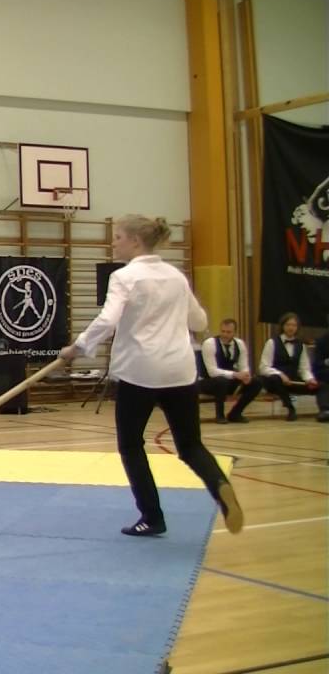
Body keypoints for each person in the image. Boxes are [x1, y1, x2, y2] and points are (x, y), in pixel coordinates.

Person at [60, 215, 243, 537]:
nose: (113, 242)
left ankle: (152, 517)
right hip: (180, 370)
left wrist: (77, 347)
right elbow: (199, 322)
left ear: (134, 241)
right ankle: (219, 485)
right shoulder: (176, 276)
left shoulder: (124, 276)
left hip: (140, 371)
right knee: (190, 446)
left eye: (117, 237)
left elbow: (108, 319)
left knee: (131, 445)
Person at [258, 312, 319, 422]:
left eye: (294, 325)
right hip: (273, 381)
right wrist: (281, 375)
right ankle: (290, 408)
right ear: (282, 326)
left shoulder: (301, 345)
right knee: (276, 379)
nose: (291, 328)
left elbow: (304, 368)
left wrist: (310, 379)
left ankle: (324, 410)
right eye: (288, 324)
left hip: (292, 381)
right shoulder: (272, 342)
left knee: (320, 385)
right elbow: (263, 367)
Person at [199, 318, 262, 424]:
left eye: (228, 332)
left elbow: (244, 365)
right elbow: (212, 371)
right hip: (208, 381)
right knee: (221, 381)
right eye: (223, 331)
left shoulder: (240, 344)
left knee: (257, 382)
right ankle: (220, 415)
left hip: (229, 380)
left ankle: (235, 413)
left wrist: (246, 375)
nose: (225, 334)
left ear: (234, 332)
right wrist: (235, 374)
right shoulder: (210, 344)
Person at [314, 316, 329, 423]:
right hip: (324, 372)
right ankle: (325, 410)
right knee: (323, 383)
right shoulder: (322, 341)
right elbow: (316, 363)